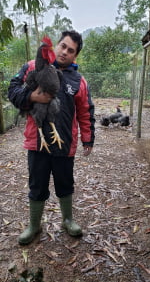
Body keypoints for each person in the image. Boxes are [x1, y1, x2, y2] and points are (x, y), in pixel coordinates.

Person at [8, 30, 95, 245]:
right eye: (62, 46)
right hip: (37, 141)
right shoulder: (32, 67)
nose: (64, 52)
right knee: (37, 184)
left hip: (65, 142)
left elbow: (85, 111)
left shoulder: (79, 81)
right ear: (56, 45)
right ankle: (34, 225)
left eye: (70, 50)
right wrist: (31, 96)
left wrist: (88, 138)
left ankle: (67, 220)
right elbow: (13, 90)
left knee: (65, 183)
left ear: (75, 56)